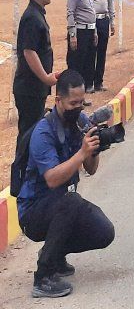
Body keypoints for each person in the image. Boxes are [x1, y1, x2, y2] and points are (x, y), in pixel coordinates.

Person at [16, 70, 114, 299]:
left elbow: (91, 169)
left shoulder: (79, 121)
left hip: (62, 205)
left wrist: (94, 148)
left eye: (82, 102)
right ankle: (43, 277)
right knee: (72, 202)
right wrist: (81, 153)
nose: (79, 108)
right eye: (73, 103)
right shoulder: (43, 132)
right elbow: (52, 179)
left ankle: (55, 254)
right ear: (58, 100)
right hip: (33, 212)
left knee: (104, 232)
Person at [13, 0, 58, 144]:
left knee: (33, 133)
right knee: (28, 135)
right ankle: (21, 170)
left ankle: (30, 169)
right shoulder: (32, 17)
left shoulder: (37, 14)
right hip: (29, 89)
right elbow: (29, 52)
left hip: (35, 88)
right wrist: (46, 78)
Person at [64, 0, 97, 105]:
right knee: (76, 65)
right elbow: (70, 13)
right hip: (80, 32)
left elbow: (92, 12)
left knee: (87, 64)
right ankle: (71, 98)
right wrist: (72, 35)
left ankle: (81, 98)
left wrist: (95, 31)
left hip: (89, 30)